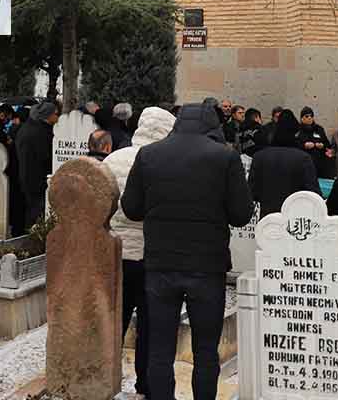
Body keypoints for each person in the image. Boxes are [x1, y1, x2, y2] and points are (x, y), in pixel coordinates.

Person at [122, 103, 254, 400]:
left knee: (160, 348)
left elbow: (131, 208)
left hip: (161, 264)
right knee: (206, 351)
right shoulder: (225, 157)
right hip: (207, 266)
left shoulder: (149, 155)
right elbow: (241, 214)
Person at [104, 106, 175, 399]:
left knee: (113, 321)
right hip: (150, 255)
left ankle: (104, 378)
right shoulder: (167, 164)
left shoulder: (113, 159)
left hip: (115, 252)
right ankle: (145, 383)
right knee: (150, 325)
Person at [249, 109, 319, 217]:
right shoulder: (303, 158)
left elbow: (252, 191)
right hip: (296, 220)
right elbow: (313, 194)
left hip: (268, 221)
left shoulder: (259, 157)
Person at [15, 101, 58, 228]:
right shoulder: (41, 133)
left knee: (31, 209)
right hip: (38, 178)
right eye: (56, 114)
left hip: (26, 175)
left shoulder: (26, 128)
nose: (58, 117)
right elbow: (45, 157)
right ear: (48, 115)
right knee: (37, 213)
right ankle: (35, 239)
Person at [296, 107, 335, 179]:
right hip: (303, 162)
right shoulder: (297, 130)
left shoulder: (319, 129)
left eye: (311, 116)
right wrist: (304, 145)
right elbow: (294, 145)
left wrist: (322, 145)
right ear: (302, 118)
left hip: (318, 162)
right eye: (307, 116)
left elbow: (327, 144)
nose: (309, 118)